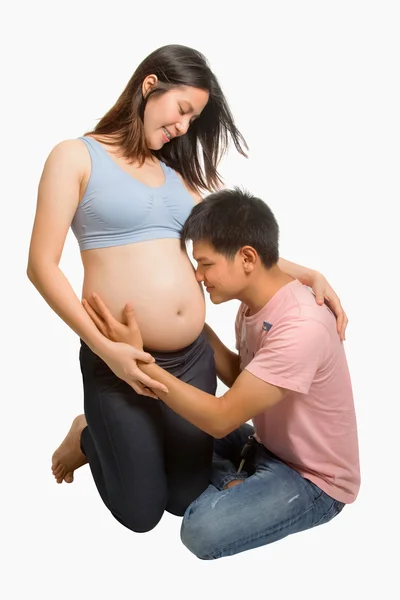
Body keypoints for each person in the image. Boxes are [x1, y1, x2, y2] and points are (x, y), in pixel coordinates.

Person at [27, 44, 348, 534]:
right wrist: (107, 349)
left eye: (192, 120)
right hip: (118, 358)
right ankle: (90, 433)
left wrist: (307, 273)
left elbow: (234, 245)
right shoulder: (76, 156)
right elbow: (41, 266)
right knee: (141, 515)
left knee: (183, 500)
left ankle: (133, 437)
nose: (183, 127)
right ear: (150, 85)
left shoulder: (178, 178)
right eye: (182, 110)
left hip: (190, 359)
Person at [81, 187, 360, 559]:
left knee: (200, 529)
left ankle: (232, 479)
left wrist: (141, 360)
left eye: (206, 264)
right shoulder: (253, 305)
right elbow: (239, 375)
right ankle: (231, 475)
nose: (198, 275)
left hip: (311, 479)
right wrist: (174, 326)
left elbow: (222, 417)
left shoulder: (301, 326)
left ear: (247, 258)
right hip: (263, 443)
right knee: (164, 441)